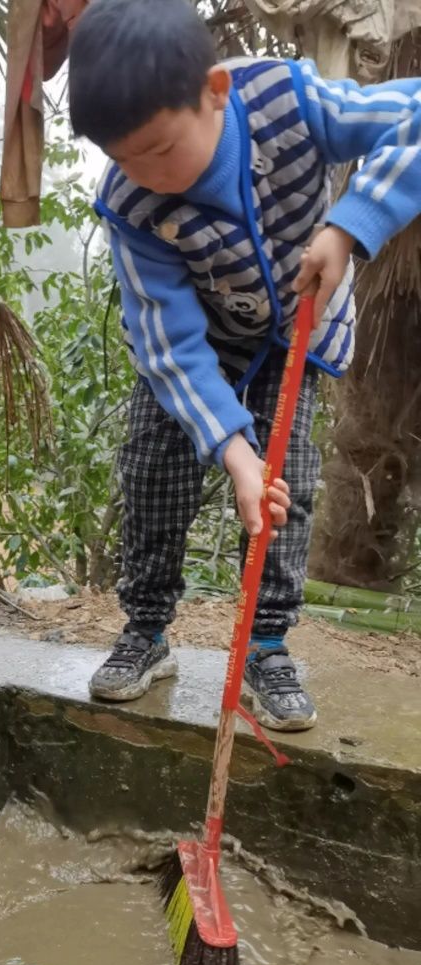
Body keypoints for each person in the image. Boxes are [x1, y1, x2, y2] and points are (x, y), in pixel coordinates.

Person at [67, 0, 421, 729]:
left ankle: (265, 647)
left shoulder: (286, 100)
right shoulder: (132, 202)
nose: (148, 176)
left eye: (161, 151)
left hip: (296, 337)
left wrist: (351, 227)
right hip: (201, 349)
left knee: (284, 487)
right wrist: (232, 451)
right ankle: (145, 630)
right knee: (154, 471)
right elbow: (166, 340)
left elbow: (414, 115)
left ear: (214, 94)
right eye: (123, 159)